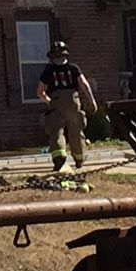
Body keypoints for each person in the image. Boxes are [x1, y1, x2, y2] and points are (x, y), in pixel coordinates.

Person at [37, 40, 96, 172]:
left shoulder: (48, 71)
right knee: (76, 130)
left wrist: (49, 101)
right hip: (74, 101)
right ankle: (79, 159)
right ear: (65, 55)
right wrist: (92, 100)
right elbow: (84, 84)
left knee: (56, 131)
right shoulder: (74, 68)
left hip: (56, 102)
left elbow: (40, 92)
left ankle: (59, 159)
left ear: (52, 57)